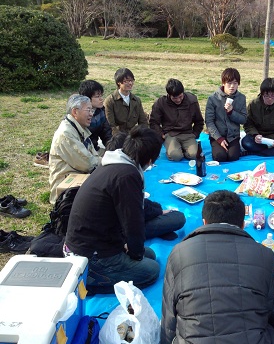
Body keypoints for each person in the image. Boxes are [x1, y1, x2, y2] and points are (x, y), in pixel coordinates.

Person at [161, 190, 274, 344]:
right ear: (243, 224)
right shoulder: (265, 255)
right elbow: (267, 314)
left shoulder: (179, 253)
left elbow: (169, 321)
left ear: (204, 221)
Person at [64, 126, 163, 295]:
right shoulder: (127, 176)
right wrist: (135, 254)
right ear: (150, 160)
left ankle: (104, 268)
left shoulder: (112, 162)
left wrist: (130, 249)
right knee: (152, 270)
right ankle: (91, 279)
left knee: (151, 254)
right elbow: (133, 222)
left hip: (93, 241)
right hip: (92, 254)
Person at [106, 132, 186, 240]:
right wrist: (159, 212)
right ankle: (156, 231)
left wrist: (156, 209)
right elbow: (135, 212)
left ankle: (159, 229)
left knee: (156, 206)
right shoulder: (125, 174)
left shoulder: (110, 167)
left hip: (123, 220)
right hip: (119, 229)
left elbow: (138, 202)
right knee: (178, 217)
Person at [49, 94, 100, 204]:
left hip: (79, 178)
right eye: (88, 110)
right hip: (66, 190)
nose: (92, 114)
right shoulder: (66, 133)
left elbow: (93, 156)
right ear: (75, 112)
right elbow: (88, 164)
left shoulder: (77, 128)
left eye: (92, 110)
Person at [149, 78, 204, 161]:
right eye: (174, 98)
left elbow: (199, 121)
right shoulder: (160, 103)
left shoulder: (192, 100)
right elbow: (153, 122)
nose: (178, 100)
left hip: (188, 134)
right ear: (169, 95)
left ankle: (184, 148)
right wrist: (161, 135)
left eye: (180, 97)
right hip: (170, 134)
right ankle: (175, 149)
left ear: (183, 92)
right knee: (176, 156)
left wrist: (195, 134)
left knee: (195, 155)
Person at [242, 78, 274, 156]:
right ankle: (269, 151)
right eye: (266, 96)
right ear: (262, 94)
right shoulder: (253, 104)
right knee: (246, 142)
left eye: (273, 96)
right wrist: (255, 135)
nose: (269, 99)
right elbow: (248, 124)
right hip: (258, 138)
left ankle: (256, 152)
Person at [205, 68, 247, 162]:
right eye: (229, 83)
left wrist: (232, 112)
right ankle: (217, 148)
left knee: (233, 157)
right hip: (218, 135)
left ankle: (236, 149)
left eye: (235, 83)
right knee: (220, 157)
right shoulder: (213, 98)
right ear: (223, 83)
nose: (232, 86)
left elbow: (244, 119)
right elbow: (209, 121)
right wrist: (219, 138)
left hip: (233, 136)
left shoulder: (241, 98)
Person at [104, 67, 148, 135]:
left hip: (133, 136)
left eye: (131, 80)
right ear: (119, 82)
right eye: (126, 81)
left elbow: (143, 122)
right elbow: (111, 126)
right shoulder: (110, 101)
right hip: (117, 137)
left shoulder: (136, 100)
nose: (130, 83)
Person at [78, 79, 112, 154]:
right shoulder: (79, 115)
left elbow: (106, 133)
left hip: (95, 149)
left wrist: (112, 150)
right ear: (87, 98)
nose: (101, 99)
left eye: (101, 96)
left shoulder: (101, 111)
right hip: (82, 152)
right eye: (97, 96)